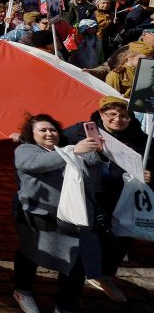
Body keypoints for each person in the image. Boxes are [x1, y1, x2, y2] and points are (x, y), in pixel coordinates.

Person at [63, 96, 154, 302]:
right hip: (91, 193)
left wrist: (151, 175)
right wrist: (25, 138)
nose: (118, 119)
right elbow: (55, 141)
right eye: (112, 114)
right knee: (90, 235)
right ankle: (85, 272)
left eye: (124, 116)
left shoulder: (141, 138)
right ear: (102, 114)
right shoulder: (82, 130)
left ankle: (105, 275)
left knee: (120, 238)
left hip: (124, 198)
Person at [12, 113, 104, 313]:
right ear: (31, 134)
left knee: (77, 263)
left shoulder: (67, 149)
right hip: (39, 216)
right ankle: (23, 290)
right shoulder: (25, 150)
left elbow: (91, 160)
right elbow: (35, 164)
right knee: (31, 255)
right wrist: (73, 151)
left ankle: (66, 305)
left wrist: (100, 151)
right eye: (42, 130)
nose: (49, 133)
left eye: (52, 129)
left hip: (74, 218)